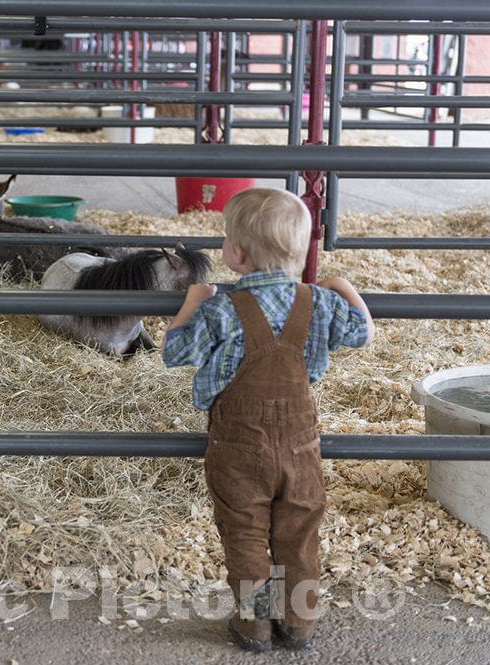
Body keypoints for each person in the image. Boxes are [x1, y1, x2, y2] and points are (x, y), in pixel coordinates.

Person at [162, 188, 374, 652]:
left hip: (237, 447)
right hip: (301, 446)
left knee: (245, 534)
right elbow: (362, 332)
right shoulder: (319, 303)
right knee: (299, 533)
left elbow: (174, 353)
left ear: (236, 253)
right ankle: (299, 623)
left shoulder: (220, 307)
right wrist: (343, 287)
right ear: (299, 252)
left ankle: (254, 626)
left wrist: (192, 301)